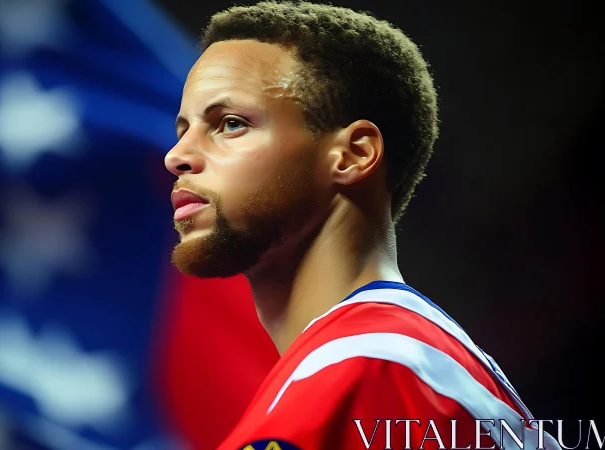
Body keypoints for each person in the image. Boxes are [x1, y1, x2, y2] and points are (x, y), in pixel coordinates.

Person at [164, 2, 559, 449]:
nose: (176, 156)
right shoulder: (384, 364)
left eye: (230, 124)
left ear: (353, 154)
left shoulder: (377, 366)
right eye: (183, 130)